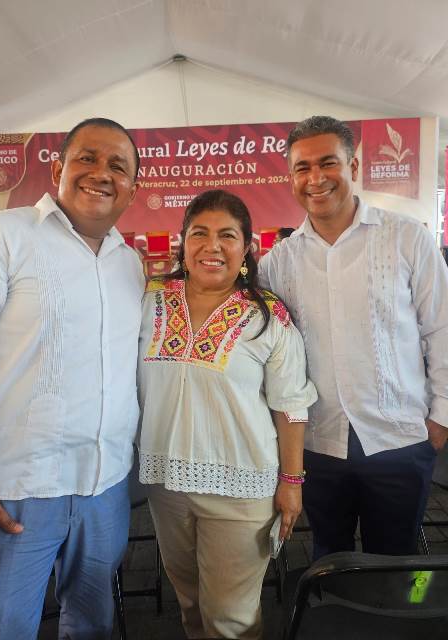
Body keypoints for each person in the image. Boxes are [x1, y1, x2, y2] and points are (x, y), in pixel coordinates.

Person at [0, 117, 144, 639]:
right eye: (87, 157)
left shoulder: (129, 264)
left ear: (134, 185)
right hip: (12, 493)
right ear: (57, 167)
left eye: (118, 165)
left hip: (104, 488)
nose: (101, 173)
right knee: (0, 628)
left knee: (92, 625)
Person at [259, 115, 448, 561]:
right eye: (302, 168)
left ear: (354, 167)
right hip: (318, 443)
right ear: (291, 177)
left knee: (397, 559)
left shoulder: (407, 239)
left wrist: (440, 418)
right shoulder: (277, 263)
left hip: (400, 439)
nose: (315, 178)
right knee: (330, 555)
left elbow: (441, 329)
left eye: (328, 163)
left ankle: (402, 623)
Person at [137, 189, 317, 639]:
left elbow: (291, 406)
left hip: (241, 486)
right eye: (199, 233)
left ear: (246, 249)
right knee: (192, 608)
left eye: (226, 235)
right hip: (167, 484)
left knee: (231, 619)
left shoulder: (267, 316)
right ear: (182, 242)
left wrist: (291, 484)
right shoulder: (149, 301)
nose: (211, 245)